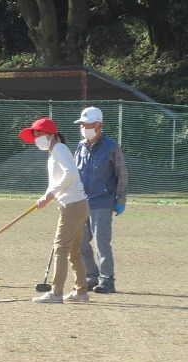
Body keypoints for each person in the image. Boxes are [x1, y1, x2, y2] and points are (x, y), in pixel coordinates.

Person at [19, 118, 90, 304]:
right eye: (35, 135)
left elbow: (72, 173)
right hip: (77, 204)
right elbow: (57, 181)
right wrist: (46, 197)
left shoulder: (59, 149)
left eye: (40, 134)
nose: (37, 138)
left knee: (61, 248)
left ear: (51, 134)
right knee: (74, 251)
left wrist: (50, 195)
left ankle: (56, 293)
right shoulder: (54, 153)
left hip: (73, 206)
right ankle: (81, 292)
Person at [74, 106, 128, 293]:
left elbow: (122, 174)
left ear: (99, 125)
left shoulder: (112, 146)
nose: (83, 127)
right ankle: (91, 276)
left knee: (101, 242)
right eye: (82, 124)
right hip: (81, 202)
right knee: (80, 241)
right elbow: (74, 173)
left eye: (87, 124)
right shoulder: (80, 146)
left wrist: (121, 199)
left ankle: (107, 280)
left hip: (102, 202)